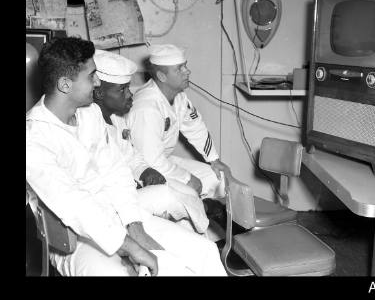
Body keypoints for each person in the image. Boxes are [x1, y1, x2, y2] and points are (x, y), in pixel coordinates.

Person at [26, 37, 226, 276]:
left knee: (203, 252)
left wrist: (135, 226)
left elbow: (116, 172)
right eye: (91, 76)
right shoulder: (34, 138)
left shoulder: (89, 114)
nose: (98, 81)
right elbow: (74, 205)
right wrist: (131, 246)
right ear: (65, 84)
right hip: (75, 240)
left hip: (117, 216)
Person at [92, 49, 208, 234]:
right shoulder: (88, 125)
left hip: (128, 188)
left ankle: (205, 232)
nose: (131, 94)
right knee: (174, 196)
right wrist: (135, 180)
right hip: (107, 202)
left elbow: (130, 155)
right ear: (98, 94)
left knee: (187, 198)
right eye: (122, 90)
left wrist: (145, 171)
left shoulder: (116, 119)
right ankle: (210, 216)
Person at [125, 44, 231, 201]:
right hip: (144, 172)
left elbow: (195, 127)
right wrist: (186, 178)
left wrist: (214, 159)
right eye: (179, 69)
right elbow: (150, 161)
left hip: (162, 161)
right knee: (191, 190)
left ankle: (207, 221)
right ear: (162, 76)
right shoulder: (147, 108)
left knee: (218, 179)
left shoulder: (179, 96)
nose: (187, 71)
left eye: (185, 66)